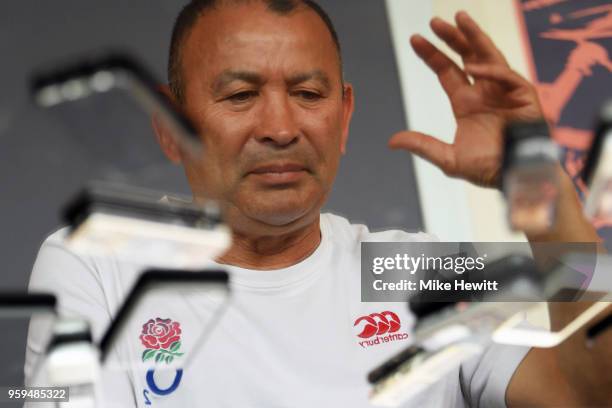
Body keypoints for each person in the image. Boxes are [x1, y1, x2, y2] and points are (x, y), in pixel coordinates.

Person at [25, 0, 611, 407]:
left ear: (344, 113)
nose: (281, 127)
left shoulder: (418, 271)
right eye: (240, 94)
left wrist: (545, 186)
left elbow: (591, 394)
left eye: (308, 94)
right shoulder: (95, 262)